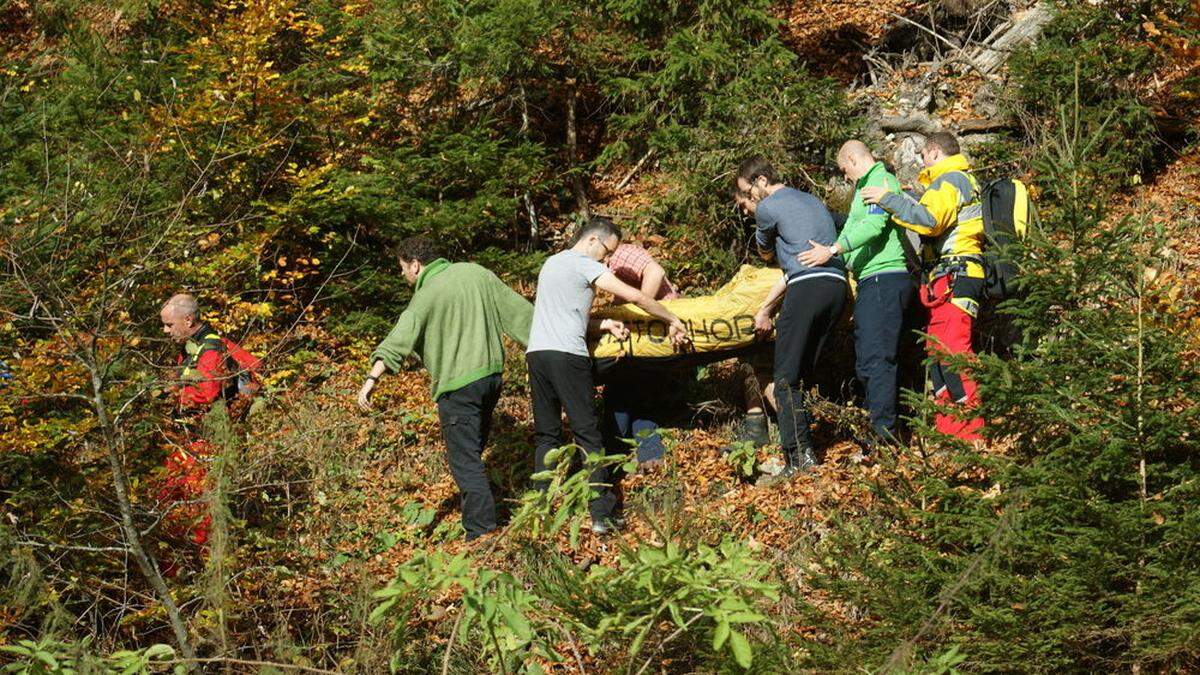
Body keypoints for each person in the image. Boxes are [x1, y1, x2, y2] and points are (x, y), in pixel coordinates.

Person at [356, 236, 534, 542]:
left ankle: (481, 534)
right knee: (472, 453)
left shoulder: (426, 294)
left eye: (402, 268)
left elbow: (398, 340)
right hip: (491, 379)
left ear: (416, 265)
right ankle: (483, 517)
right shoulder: (476, 273)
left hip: (457, 387)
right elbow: (521, 315)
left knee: (464, 461)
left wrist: (371, 380)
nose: (403, 276)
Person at [526, 216, 688, 533]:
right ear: (591, 240)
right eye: (608, 250)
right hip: (567, 357)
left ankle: (538, 512)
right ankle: (602, 515)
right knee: (588, 435)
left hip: (537, 355)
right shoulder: (584, 263)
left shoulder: (551, 263)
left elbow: (566, 314)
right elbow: (637, 296)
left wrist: (603, 324)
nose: (609, 258)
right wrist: (671, 319)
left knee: (548, 435)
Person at [860, 131, 986, 440]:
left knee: (953, 353)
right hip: (950, 277)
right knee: (940, 353)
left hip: (956, 276)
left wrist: (888, 200)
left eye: (924, 157)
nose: (922, 163)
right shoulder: (959, 181)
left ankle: (970, 436)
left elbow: (930, 220)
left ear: (933, 153)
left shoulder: (950, 180)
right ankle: (950, 431)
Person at [735, 156, 847, 479]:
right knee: (803, 374)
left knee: (785, 379)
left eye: (747, 194)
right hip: (837, 289)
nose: (749, 207)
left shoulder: (769, 207)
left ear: (759, 182)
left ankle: (800, 457)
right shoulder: (813, 200)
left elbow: (766, 252)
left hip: (806, 289)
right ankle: (812, 442)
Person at [798, 140, 914, 443]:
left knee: (877, 359)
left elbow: (875, 227)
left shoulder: (880, 181)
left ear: (852, 158)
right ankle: (879, 432)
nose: (845, 176)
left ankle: (885, 439)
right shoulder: (861, 190)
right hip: (869, 282)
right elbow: (850, 228)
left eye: (844, 170)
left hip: (885, 279)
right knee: (866, 360)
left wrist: (833, 249)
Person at [158, 293, 261, 549]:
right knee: (170, 496)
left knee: (200, 503)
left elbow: (206, 393)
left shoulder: (211, 348)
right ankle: (178, 558)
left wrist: (169, 393)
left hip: (207, 440)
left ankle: (204, 564)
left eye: (169, 325)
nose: (165, 330)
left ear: (188, 319)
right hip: (189, 438)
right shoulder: (192, 347)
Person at [598, 242, 681, 467]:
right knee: (634, 391)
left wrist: (637, 309)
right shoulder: (612, 266)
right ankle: (648, 454)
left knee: (622, 391)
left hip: (654, 331)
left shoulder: (621, 254)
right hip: (645, 337)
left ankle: (615, 458)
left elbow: (655, 272)